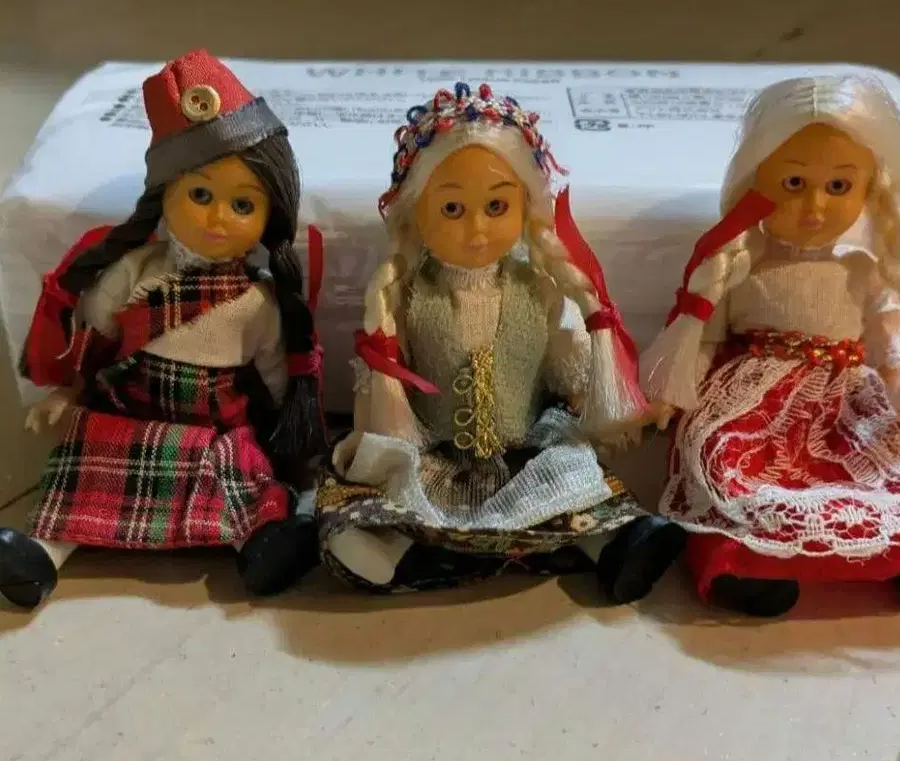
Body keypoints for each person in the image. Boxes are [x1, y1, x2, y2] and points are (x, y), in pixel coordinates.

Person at [315, 82, 686, 598]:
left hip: (525, 451)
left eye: (496, 206)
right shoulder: (408, 297)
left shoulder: (539, 290)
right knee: (386, 503)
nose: (477, 230)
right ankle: (392, 551)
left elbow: (570, 368)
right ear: (416, 211)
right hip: (439, 455)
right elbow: (378, 388)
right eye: (452, 209)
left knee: (573, 476)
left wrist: (619, 406)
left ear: (525, 206)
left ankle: (615, 545)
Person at [0, 49, 327, 610]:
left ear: (268, 215)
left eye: (242, 204)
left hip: (214, 430)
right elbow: (96, 339)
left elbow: (275, 371)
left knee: (238, 482)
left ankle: (262, 547)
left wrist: (287, 428)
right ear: (163, 196)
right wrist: (68, 391)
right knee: (85, 474)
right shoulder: (135, 272)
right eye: (200, 195)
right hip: (130, 416)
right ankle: (42, 556)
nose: (218, 217)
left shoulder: (257, 301)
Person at [641, 75, 900, 617]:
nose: (815, 206)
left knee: (877, 471)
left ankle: (881, 557)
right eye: (794, 182)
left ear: (868, 189)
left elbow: (886, 342)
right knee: (730, 470)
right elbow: (705, 339)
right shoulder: (739, 267)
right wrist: (670, 393)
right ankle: (745, 564)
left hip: (842, 405)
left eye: (838, 186)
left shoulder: (862, 270)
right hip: (754, 403)